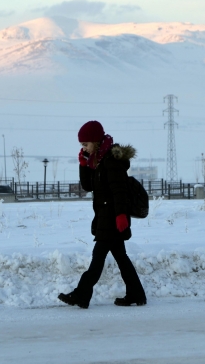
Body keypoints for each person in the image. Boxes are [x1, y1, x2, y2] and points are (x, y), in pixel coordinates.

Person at [58, 121, 147, 309]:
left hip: (112, 218)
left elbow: (119, 190)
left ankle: (82, 294)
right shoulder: (98, 161)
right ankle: (136, 294)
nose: (84, 148)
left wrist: (121, 214)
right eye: (82, 145)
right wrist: (83, 164)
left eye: (86, 144)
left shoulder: (111, 161)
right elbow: (88, 186)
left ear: (96, 142)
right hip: (105, 216)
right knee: (121, 258)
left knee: (98, 257)